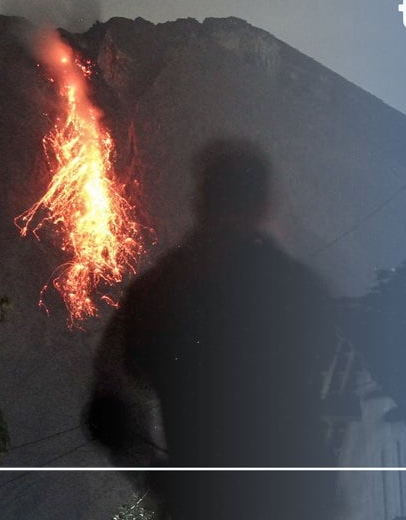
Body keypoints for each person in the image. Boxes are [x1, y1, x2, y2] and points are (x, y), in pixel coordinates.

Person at [86, 140, 337, 519]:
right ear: (264, 205)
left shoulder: (156, 294)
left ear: (199, 201)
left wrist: (160, 481)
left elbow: (108, 410)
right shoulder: (302, 289)